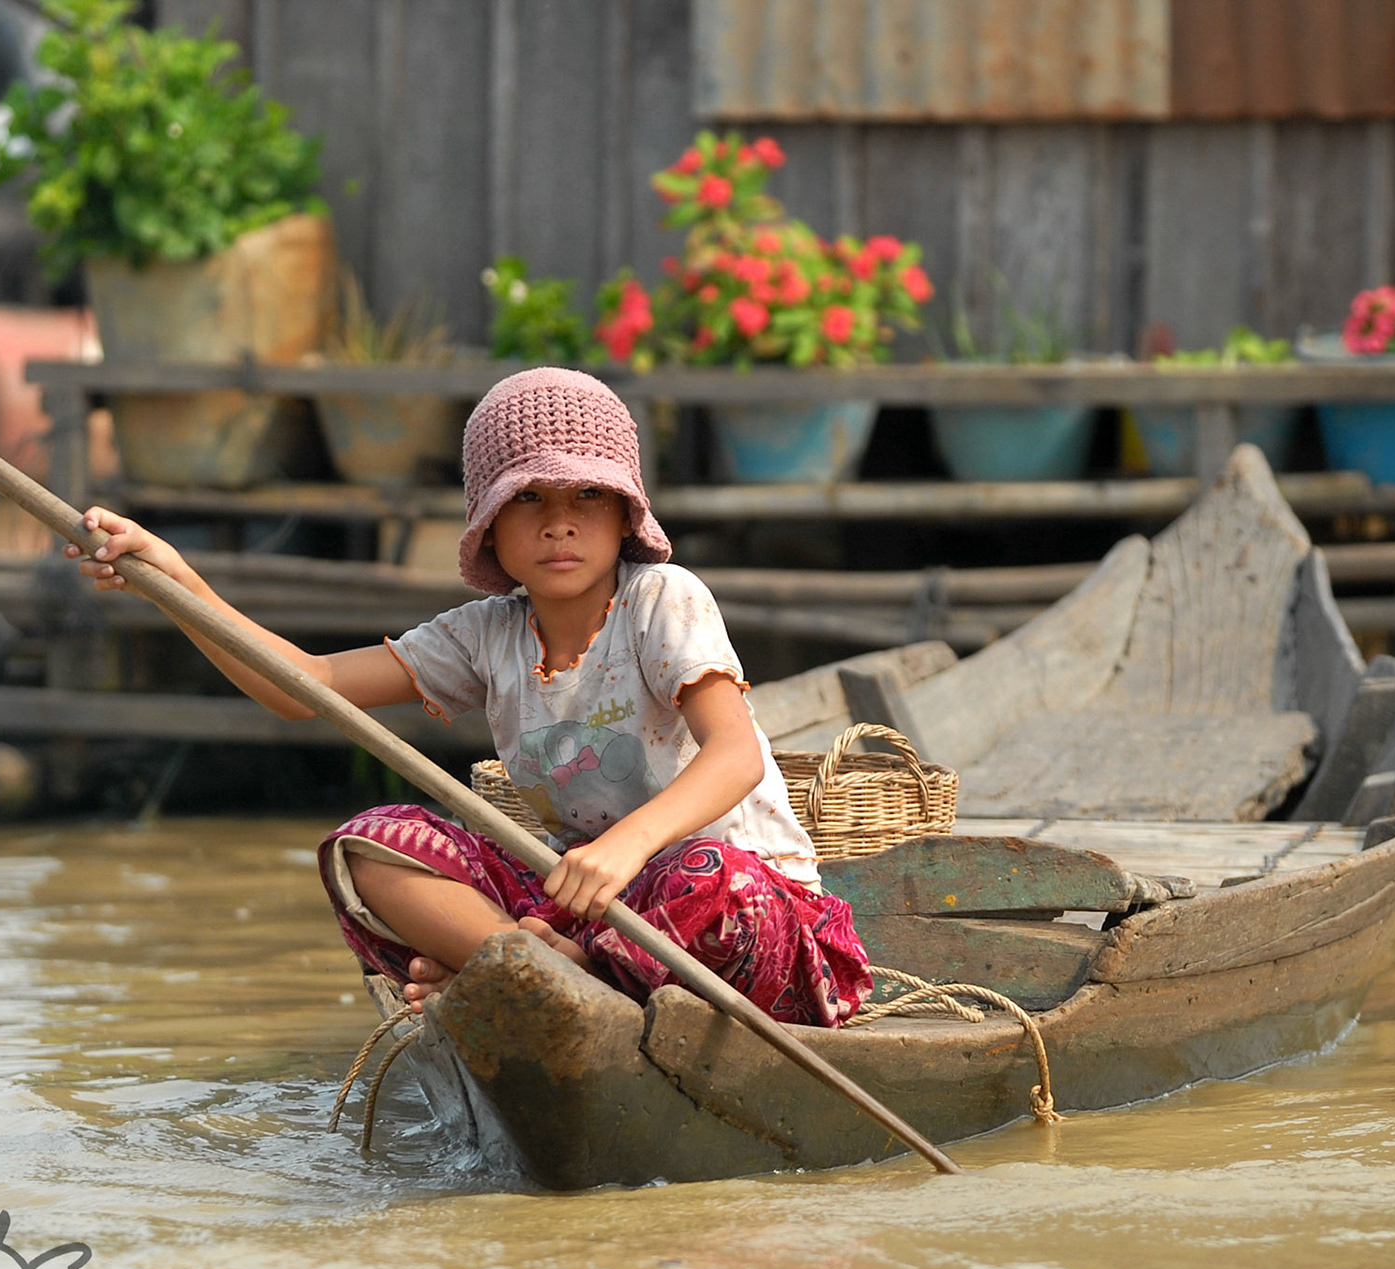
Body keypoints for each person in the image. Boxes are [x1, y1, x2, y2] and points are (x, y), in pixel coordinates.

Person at [67, 367, 872, 1026]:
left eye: (585, 497)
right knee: (368, 847)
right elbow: (303, 688)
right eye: (528, 499)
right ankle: (528, 973)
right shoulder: (487, 633)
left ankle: (533, 975)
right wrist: (171, 581)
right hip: (576, 915)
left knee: (709, 878)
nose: (559, 523)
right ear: (489, 526)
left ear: (624, 511)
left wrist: (627, 846)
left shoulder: (664, 598)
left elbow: (733, 756)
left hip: (738, 919)